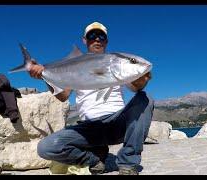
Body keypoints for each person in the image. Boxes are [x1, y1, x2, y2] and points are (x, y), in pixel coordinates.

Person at [29, 21, 154, 175]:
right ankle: (94, 160)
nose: (97, 39)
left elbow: (137, 87)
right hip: (88, 129)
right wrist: (43, 75)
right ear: (85, 40)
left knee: (144, 98)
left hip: (117, 123)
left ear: (106, 41)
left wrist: (141, 75)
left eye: (101, 36)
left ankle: (128, 164)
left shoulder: (115, 62)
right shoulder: (73, 65)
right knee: (46, 147)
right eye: (92, 36)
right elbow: (63, 96)